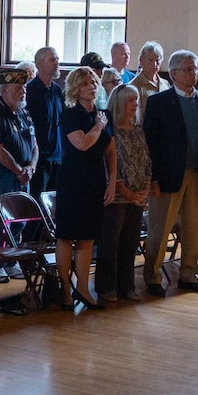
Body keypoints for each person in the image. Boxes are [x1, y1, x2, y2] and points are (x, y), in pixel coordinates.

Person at [142, 50, 198, 297]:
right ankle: (152, 277)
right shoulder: (158, 102)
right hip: (167, 176)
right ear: (173, 74)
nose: (193, 73)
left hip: (197, 174)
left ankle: (188, 275)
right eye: (187, 69)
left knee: (194, 229)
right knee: (160, 230)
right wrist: (151, 178)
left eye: (195, 68)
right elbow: (149, 144)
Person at [54, 66, 114, 312]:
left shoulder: (102, 113)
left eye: (93, 82)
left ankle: (83, 289)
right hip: (73, 180)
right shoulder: (71, 114)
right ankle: (65, 290)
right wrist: (98, 126)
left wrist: (112, 182)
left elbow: (111, 150)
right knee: (67, 235)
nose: (92, 86)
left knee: (88, 237)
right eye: (86, 83)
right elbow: (83, 144)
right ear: (75, 89)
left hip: (95, 179)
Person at [98, 83, 153, 305]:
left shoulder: (138, 131)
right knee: (111, 241)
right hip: (118, 196)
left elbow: (147, 161)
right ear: (120, 104)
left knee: (130, 242)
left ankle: (127, 285)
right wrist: (124, 189)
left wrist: (146, 186)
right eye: (131, 100)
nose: (136, 104)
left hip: (138, 195)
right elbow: (110, 163)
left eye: (136, 100)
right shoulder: (110, 132)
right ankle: (106, 287)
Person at [0, 64, 37, 221]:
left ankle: (16, 247)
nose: (24, 91)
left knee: (21, 221)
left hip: (25, 174)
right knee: (3, 224)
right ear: (4, 91)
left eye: (24, 87)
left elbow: (34, 145)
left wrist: (30, 168)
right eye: (18, 88)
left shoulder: (23, 113)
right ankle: (1, 247)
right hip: (4, 175)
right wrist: (19, 171)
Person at [27, 46, 64, 196]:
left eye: (57, 59)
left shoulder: (57, 90)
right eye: (52, 59)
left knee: (54, 204)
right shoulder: (30, 91)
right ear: (39, 64)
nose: (56, 63)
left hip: (57, 156)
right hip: (40, 157)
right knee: (38, 203)